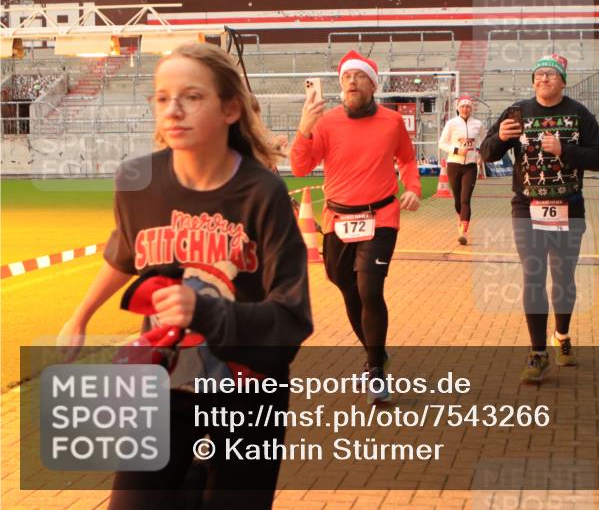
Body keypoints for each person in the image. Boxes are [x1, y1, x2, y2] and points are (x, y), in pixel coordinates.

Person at [58, 42, 313, 510]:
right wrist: (81, 316)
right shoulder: (137, 181)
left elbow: (293, 319)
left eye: (192, 96)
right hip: (162, 385)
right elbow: (124, 253)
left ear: (230, 107)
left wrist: (206, 311)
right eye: (161, 97)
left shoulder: (263, 193)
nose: (173, 109)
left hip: (247, 391)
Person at [290, 50, 420, 404]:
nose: (351, 82)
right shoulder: (326, 122)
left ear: (372, 85)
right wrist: (304, 128)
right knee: (344, 284)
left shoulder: (392, 122)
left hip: (380, 217)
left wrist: (412, 188)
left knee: (369, 287)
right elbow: (301, 167)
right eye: (347, 77)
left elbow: (407, 159)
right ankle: (376, 350)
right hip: (338, 218)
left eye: (359, 77)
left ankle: (375, 368)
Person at [480, 53, 599, 384]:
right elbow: (485, 153)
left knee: (563, 277)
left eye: (551, 74)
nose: (543, 79)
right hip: (527, 205)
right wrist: (501, 139)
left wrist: (566, 150)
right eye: (538, 74)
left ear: (563, 81)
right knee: (533, 275)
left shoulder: (579, 114)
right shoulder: (516, 112)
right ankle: (538, 353)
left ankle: (562, 336)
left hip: (569, 204)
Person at [438, 96, 485, 244]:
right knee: (458, 200)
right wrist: (457, 150)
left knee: (466, 199)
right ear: (458, 108)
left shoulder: (478, 124)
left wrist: (481, 155)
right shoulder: (452, 124)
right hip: (454, 165)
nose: (465, 109)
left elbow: (485, 141)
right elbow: (442, 143)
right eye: (463, 107)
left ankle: (463, 230)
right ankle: (461, 218)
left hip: (470, 166)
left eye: (468, 107)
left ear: (472, 109)